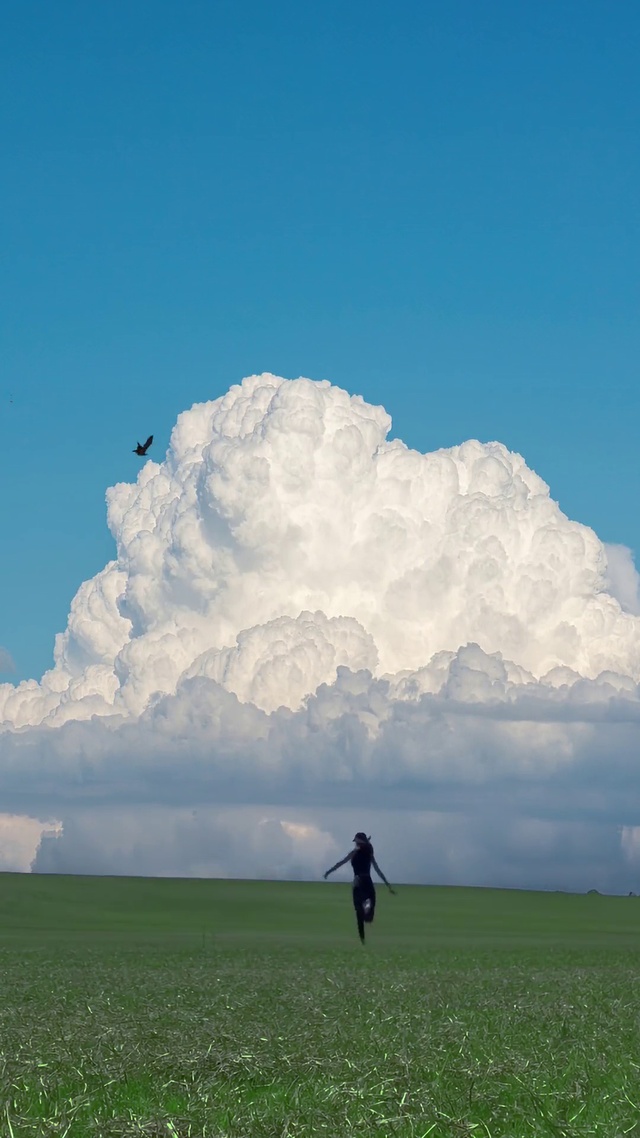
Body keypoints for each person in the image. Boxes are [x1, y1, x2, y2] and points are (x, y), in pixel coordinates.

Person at [323, 832, 396, 944]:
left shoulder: (356, 853)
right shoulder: (368, 853)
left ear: (358, 842)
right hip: (366, 881)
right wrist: (388, 885)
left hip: (358, 882)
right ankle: (366, 908)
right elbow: (377, 870)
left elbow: (341, 863)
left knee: (359, 912)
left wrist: (329, 871)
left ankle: (362, 938)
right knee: (367, 911)